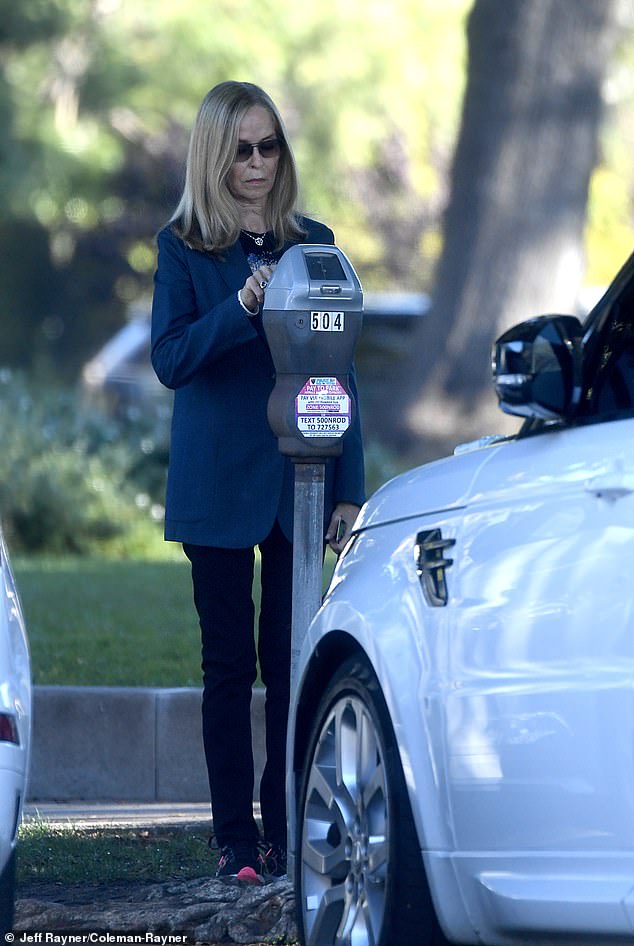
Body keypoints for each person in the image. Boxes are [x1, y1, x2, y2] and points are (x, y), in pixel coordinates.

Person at [150, 81, 365, 884]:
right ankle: (236, 842)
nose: (257, 163)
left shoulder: (316, 242)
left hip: (296, 483)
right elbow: (170, 359)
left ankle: (287, 831)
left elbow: (340, 370)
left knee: (291, 660)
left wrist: (351, 482)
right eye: (241, 149)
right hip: (214, 488)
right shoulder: (183, 247)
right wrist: (241, 306)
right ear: (214, 155)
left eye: (268, 146)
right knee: (227, 667)